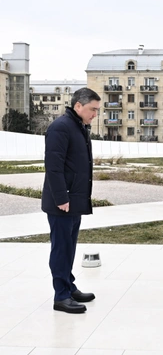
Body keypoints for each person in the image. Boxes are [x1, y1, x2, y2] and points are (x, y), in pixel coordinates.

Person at [42, 88, 101, 313]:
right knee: (61, 249)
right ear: (78, 106)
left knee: (70, 247)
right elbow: (54, 167)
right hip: (62, 202)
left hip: (73, 200)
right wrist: (61, 198)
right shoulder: (60, 127)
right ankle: (61, 296)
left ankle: (69, 286)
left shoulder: (78, 127)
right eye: (92, 109)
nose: (95, 114)